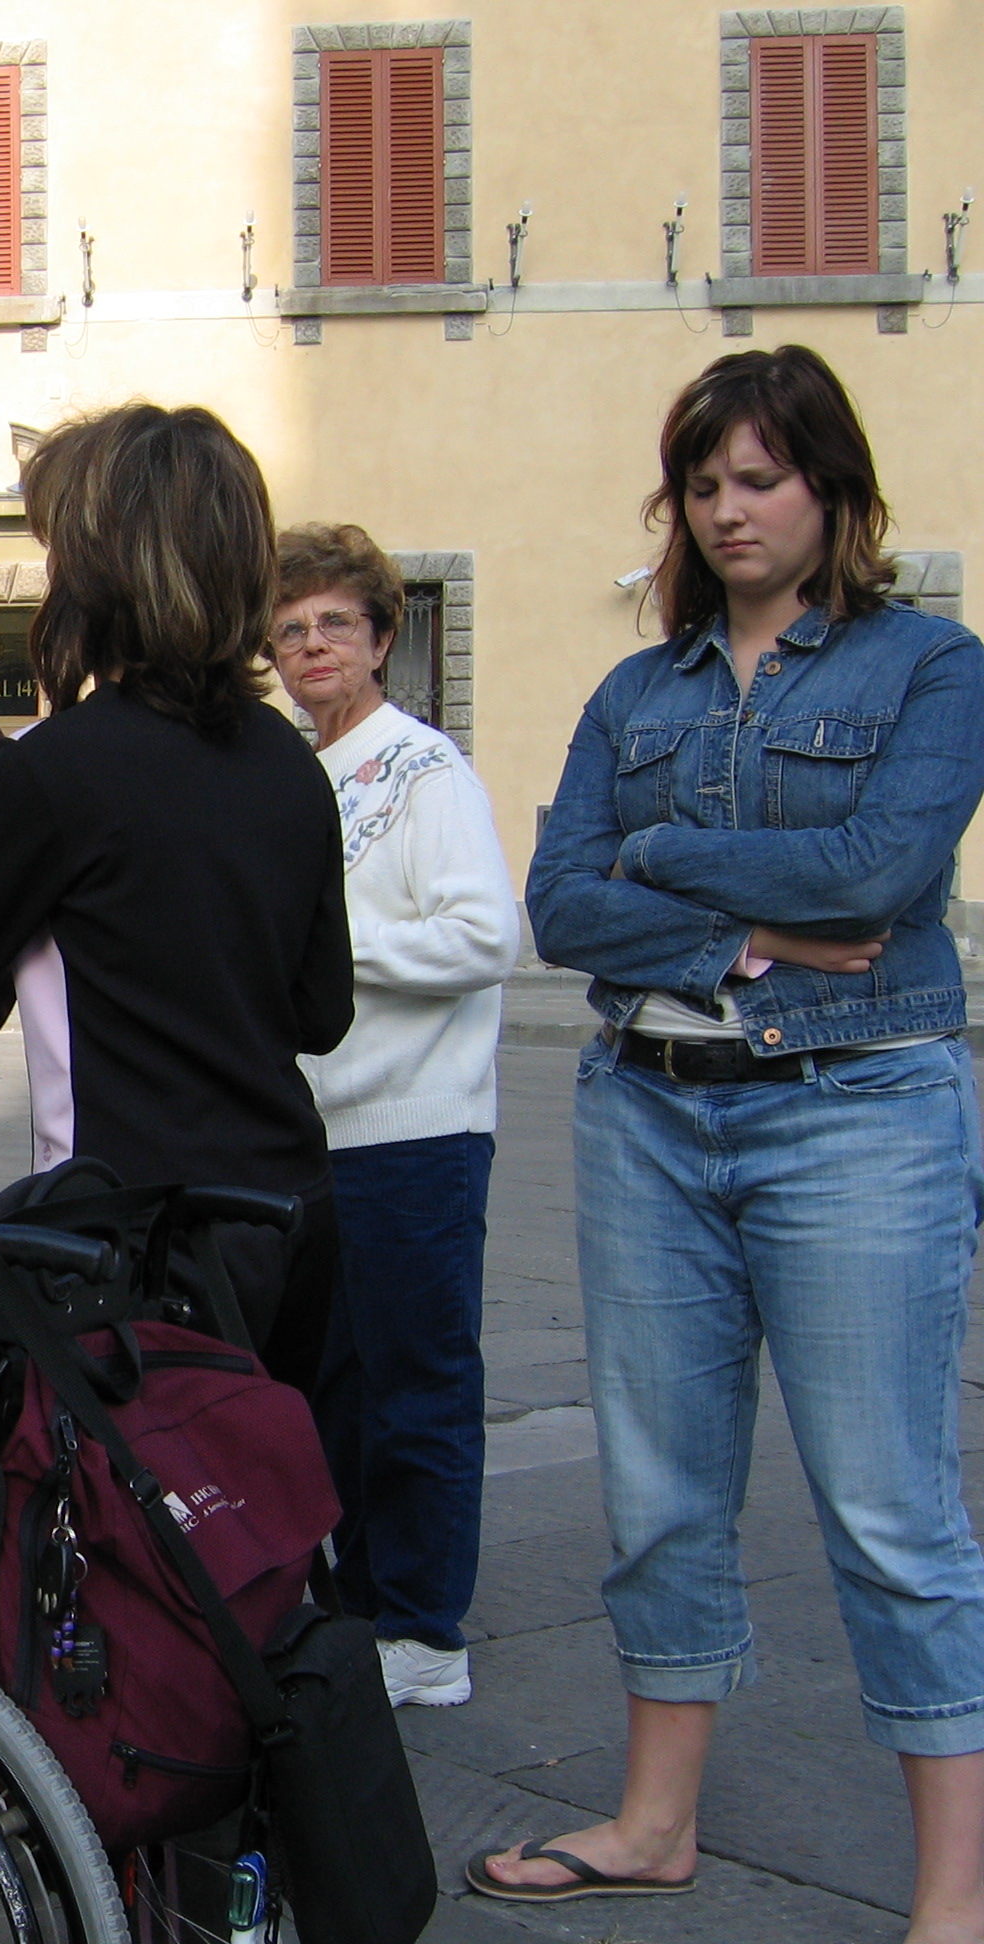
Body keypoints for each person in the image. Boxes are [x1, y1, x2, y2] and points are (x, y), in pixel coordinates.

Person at [481, 346, 984, 1932]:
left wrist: (671, 856)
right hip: (647, 1117)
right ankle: (653, 1823)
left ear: (833, 490)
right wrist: (736, 934)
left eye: (759, 479)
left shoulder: (928, 666)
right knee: (661, 1494)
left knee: (891, 1510)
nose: (728, 511)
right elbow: (559, 904)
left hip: (860, 1116)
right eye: (704, 486)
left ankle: (955, 1896)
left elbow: (878, 879)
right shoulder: (638, 691)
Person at [0, 402, 353, 1389]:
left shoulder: (55, 773)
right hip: (289, 1215)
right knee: (271, 1515)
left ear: (96, 573)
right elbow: (321, 1010)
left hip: (132, 1236)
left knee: (135, 1528)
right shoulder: (290, 767)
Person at [269, 523, 519, 1714]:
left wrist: (331, 948)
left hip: (416, 1131)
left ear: (381, 638)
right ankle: (364, 1605)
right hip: (320, 1134)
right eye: (291, 627)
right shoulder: (298, 778)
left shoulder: (424, 770)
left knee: (419, 1389)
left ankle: (427, 1627)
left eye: (334, 623)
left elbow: (484, 936)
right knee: (334, 1396)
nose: (312, 644)